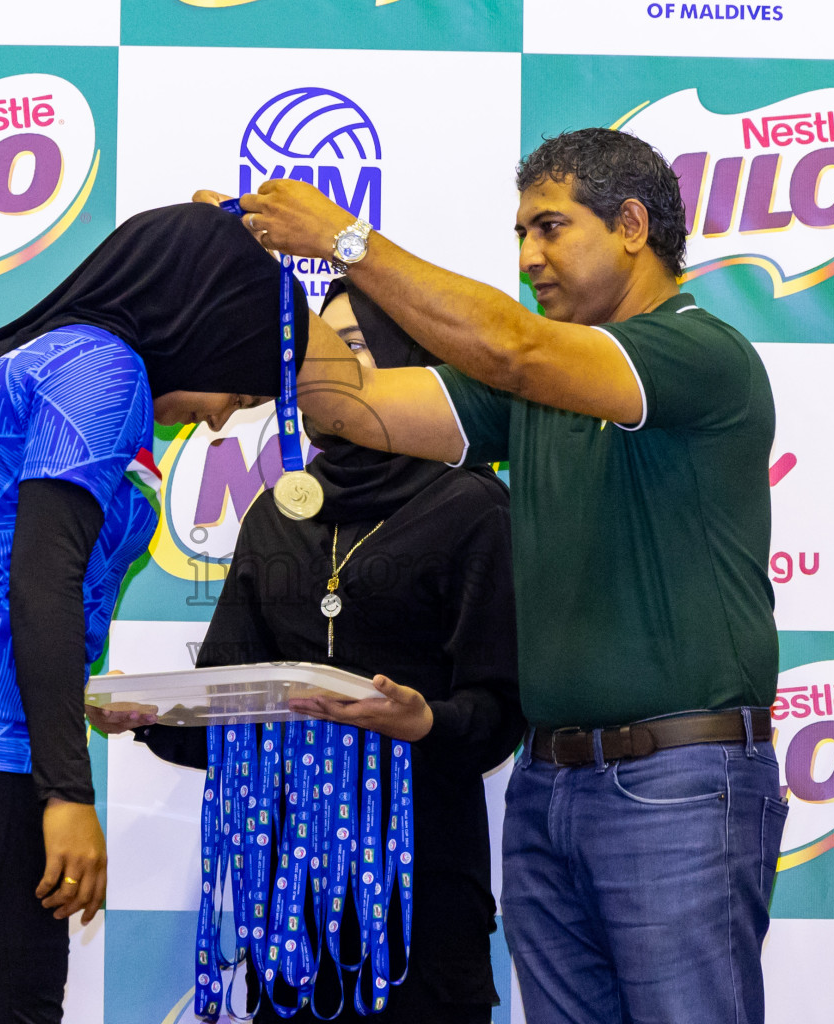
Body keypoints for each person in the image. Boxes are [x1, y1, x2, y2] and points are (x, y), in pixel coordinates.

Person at [209, 125, 784, 1024]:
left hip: (678, 782)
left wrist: (344, 241)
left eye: (549, 228)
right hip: (550, 784)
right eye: (521, 234)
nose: (528, 257)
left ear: (632, 224)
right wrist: (248, 276)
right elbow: (349, 404)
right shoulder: (543, 384)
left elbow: (513, 347)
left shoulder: (699, 353)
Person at [0, 203, 309, 1024]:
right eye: (239, 381)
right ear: (202, 318)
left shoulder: (54, 360)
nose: (224, 415)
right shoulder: (104, 370)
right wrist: (66, 794)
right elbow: (39, 579)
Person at [101, 279, 523, 1023]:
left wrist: (425, 722)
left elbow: (501, 713)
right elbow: (231, 706)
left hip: (422, 889)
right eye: (317, 350)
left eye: (351, 347)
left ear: (411, 364)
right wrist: (153, 714)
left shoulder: (474, 505)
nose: (323, 369)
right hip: (288, 902)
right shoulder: (279, 512)